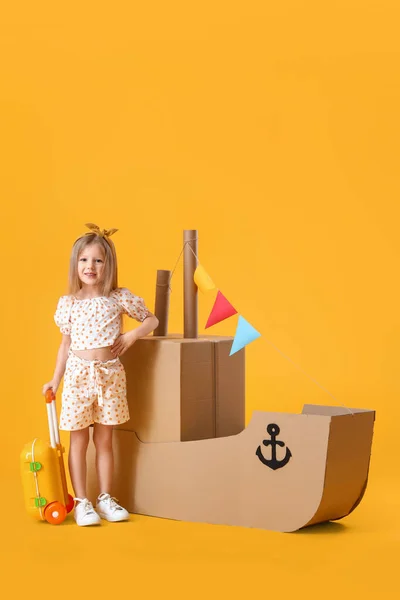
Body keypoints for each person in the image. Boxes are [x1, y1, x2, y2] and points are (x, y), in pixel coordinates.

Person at [42, 223, 159, 526]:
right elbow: (65, 344)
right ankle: (82, 502)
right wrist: (55, 380)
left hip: (110, 377)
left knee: (105, 441)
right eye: (84, 260)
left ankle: (105, 497)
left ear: (108, 264)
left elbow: (152, 320)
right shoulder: (69, 304)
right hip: (78, 378)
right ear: (75, 264)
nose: (90, 266)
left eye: (97, 260)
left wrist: (131, 337)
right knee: (78, 441)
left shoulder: (118, 298)